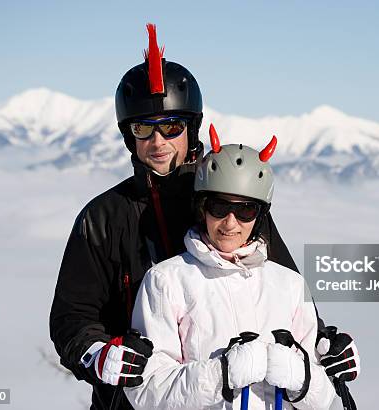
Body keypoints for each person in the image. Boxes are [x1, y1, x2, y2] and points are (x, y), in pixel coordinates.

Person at [49, 24, 299, 410]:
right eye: (142, 129)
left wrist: (321, 347)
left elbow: (286, 291)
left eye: (170, 126)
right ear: (128, 136)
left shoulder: (231, 201)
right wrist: (97, 354)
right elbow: (72, 317)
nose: (158, 141)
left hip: (236, 397)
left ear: (191, 127)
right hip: (133, 400)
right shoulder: (102, 217)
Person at [124, 125, 336, 409]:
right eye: (219, 207)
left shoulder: (290, 285)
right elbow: (146, 392)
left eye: (246, 210)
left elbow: (323, 401)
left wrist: (302, 379)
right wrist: (222, 374)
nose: (230, 223)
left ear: (260, 216)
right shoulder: (166, 281)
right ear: (201, 208)